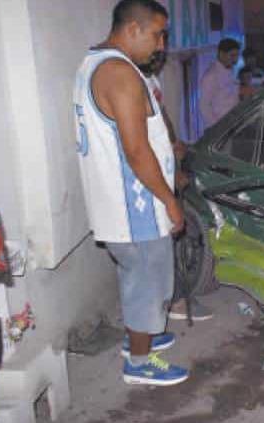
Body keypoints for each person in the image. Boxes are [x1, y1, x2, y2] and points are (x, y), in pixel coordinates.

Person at [73, 0, 188, 385]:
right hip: (135, 206)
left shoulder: (95, 63)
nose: (161, 45)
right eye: (158, 34)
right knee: (148, 282)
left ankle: (139, 337)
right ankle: (139, 363)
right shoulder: (119, 73)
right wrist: (170, 200)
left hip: (119, 205)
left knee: (137, 277)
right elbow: (136, 151)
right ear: (133, 29)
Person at [139, 45, 214, 323]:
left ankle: (171, 298)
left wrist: (174, 143)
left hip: (163, 163)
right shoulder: (133, 83)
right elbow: (140, 142)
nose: (158, 61)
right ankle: (174, 301)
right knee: (163, 239)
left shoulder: (151, 82)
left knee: (166, 239)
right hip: (150, 175)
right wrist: (170, 174)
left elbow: (162, 118)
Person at [200, 38, 240, 131]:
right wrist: (217, 127)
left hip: (232, 125)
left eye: (237, 55)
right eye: (232, 55)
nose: (235, 60)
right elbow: (204, 106)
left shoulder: (231, 72)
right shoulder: (211, 76)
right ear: (221, 54)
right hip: (219, 129)